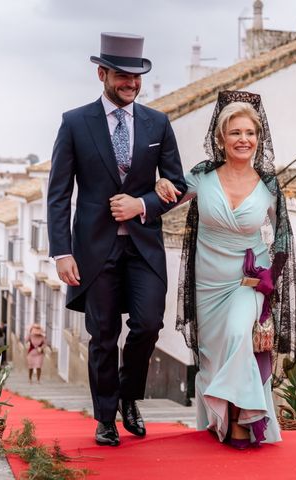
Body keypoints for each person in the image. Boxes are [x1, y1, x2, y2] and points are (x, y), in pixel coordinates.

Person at [47, 32, 187, 447]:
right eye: (123, 76)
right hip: (94, 248)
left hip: (144, 246)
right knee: (104, 335)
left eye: (137, 76)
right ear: (102, 74)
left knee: (148, 324)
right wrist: (61, 252)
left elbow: (176, 183)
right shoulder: (74, 123)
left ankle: (129, 397)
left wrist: (142, 204)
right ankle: (106, 418)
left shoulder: (157, 123)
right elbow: (58, 194)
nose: (131, 83)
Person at [155, 91, 296, 449]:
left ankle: (241, 422)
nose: (243, 140)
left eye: (250, 133)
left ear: (258, 138)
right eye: (235, 132)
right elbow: (164, 200)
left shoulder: (269, 186)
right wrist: (157, 184)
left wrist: (270, 282)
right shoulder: (202, 178)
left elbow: (282, 238)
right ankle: (221, 423)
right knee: (216, 354)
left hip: (247, 281)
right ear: (221, 138)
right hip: (207, 284)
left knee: (239, 336)